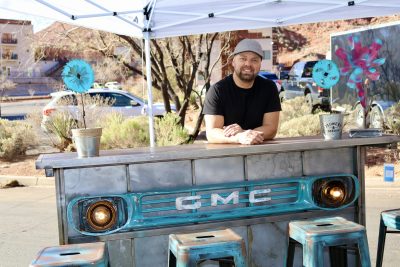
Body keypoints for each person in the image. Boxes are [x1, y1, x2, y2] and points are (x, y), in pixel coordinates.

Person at [203, 39, 281, 145]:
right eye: (243, 59)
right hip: (225, 155)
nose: (248, 64)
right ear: (233, 62)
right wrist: (239, 138)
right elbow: (212, 133)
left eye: (254, 60)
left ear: (260, 64)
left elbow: (271, 129)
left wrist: (244, 133)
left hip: (260, 153)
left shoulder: (269, 88)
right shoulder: (217, 90)